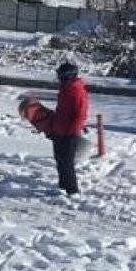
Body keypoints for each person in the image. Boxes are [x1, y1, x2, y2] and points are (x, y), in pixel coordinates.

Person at [48, 61, 89, 195]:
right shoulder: (65, 89)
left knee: (67, 162)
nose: (58, 79)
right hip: (59, 130)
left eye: (60, 76)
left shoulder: (76, 91)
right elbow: (61, 111)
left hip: (69, 133)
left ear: (68, 76)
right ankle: (62, 185)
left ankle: (72, 190)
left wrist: (72, 134)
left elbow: (80, 115)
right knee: (59, 159)